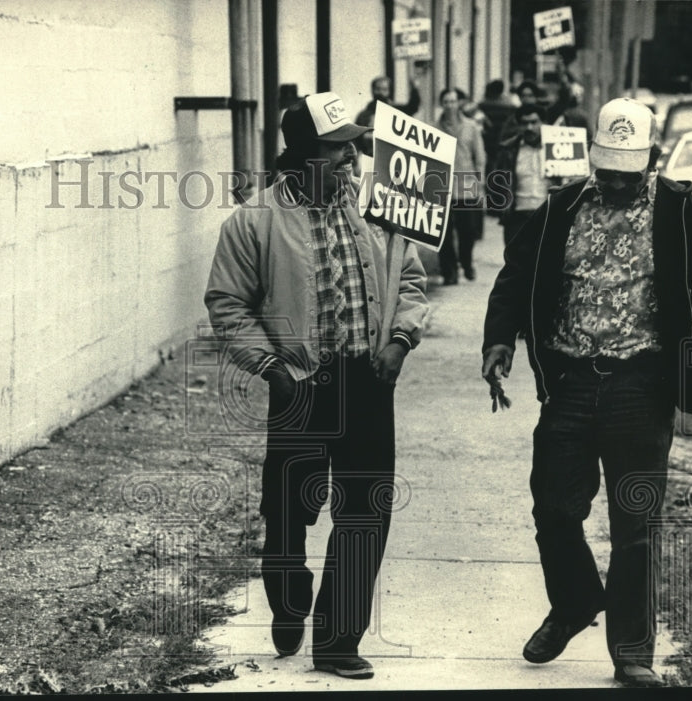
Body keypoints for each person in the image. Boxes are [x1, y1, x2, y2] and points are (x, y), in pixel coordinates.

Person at [481, 98, 692, 688]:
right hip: (570, 381)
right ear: (594, 158)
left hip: (640, 385)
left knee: (635, 525)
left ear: (650, 158)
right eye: (609, 168)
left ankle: (630, 652)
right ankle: (575, 602)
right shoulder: (560, 207)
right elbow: (514, 277)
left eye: (631, 168)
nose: (619, 180)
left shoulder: (679, 212)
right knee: (554, 508)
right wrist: (498, 339)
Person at [205, 92, 427, 680]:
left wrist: (399, 342)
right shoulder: (255, 220)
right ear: (303, 156)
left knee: (364, 510)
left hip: (368, 381)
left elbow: (409, 279)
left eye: (355, 145)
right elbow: (227, 304)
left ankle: (338, 640)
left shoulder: (380, 208)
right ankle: (286, 591)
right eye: (338, 149)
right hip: (300, 384)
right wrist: (273, 370)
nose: (353, 158)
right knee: (288, 508)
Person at [436, 88, 486, 284]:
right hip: (442, 184)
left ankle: (466, 263)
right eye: (446, 101)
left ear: (459, 103)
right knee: (443, 232)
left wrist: (480, 182)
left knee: (468, 231)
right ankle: (449, 271)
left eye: (453, 101)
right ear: (442, 104)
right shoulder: (433, 127)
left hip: (467, 183)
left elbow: (480, 156)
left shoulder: (471, 126)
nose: (450, 105)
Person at [493, 104, 561, 247]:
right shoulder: (508, 150)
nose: (529, 128)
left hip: (549, 215)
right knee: (516, 265)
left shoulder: (559, 148)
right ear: (518, 126)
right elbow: (498, 183)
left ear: (543, 123)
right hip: (518, 216)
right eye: (524, 123)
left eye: (534, 122)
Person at [353, 75, 420, 158]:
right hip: (370, 158)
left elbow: (412, 107)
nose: (381, 93)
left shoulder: (396, 111)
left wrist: (415, 88)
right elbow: (357, 141)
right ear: (372, 90)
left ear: (389, 91)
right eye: (378, 89)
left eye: (384, 89)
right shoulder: (364, 115)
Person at [478, 79, 517, 176]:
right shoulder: (510, 106)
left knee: (488, 165)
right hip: (503, 140)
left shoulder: (482, 105)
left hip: (487, 140)